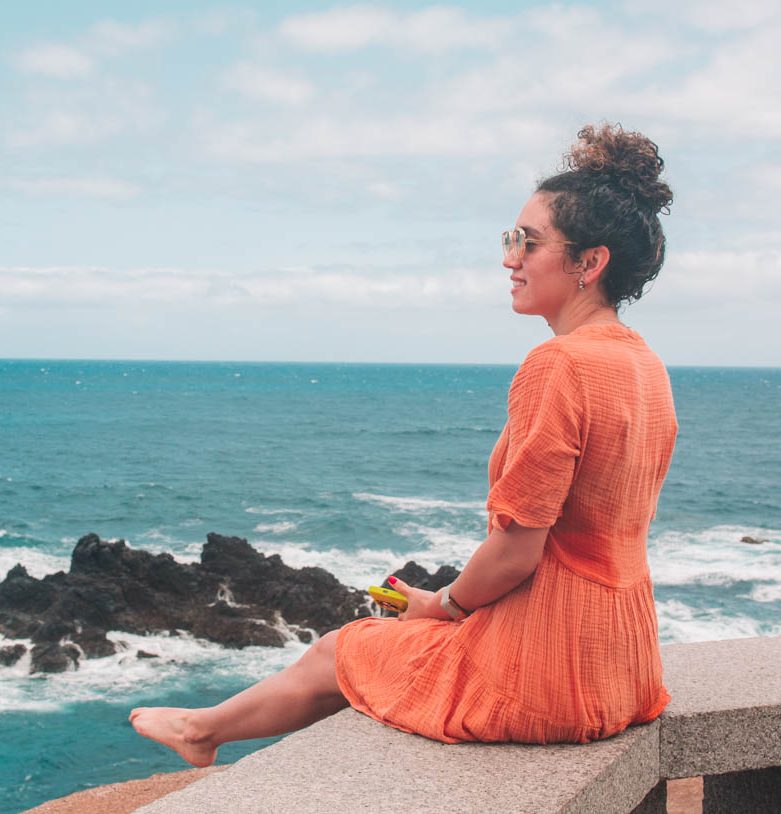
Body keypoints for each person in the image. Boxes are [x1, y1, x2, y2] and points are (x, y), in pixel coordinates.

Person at [130, 123, 678, 766]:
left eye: (527, 243)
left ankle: (200, 733)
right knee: (374, 640)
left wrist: (442, 605)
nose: (509, 259)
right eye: (509, 240)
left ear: (591, 262)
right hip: (624, 667)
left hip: (546, 677)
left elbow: (518, 550)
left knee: (344, 647)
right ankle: (202, 730)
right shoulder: (646, 366)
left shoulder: (557, 365)